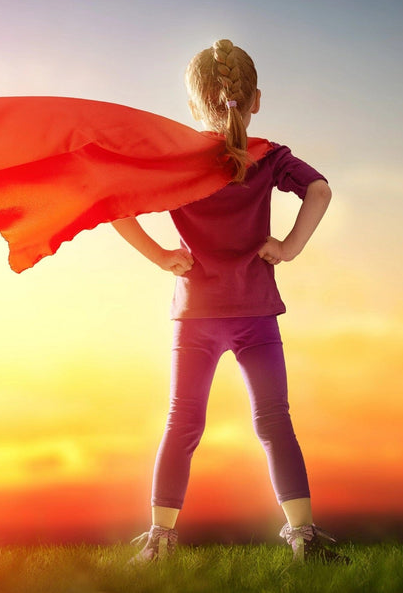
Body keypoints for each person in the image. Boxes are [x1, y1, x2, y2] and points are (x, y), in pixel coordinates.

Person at [111, 39, 348, 564]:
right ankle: (304, 536)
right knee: (274, 421)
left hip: (195, 314)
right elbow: (321, 191)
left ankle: (160, 540)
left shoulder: (174, 161)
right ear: (255, 99)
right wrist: (287, 248)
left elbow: (115, 204)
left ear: (193, 107)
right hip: (256, 310)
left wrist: (159, 257)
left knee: (183, 423)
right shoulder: (269, 158)